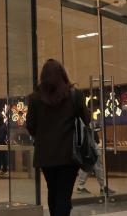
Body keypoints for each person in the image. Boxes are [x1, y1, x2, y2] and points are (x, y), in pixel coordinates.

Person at [26, 59, 89, 216]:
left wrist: (42, 137)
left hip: (46, 156)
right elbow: (86, 120)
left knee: (53, 191)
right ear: (62, 74)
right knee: (64, 195)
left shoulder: (35, 98)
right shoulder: (75, 95)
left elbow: (30, 126)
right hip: (69, 156)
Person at [75, 127, 113, 196]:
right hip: (90, 143)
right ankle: (103, 187)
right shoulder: (86, 120)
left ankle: (81, 186)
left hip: (86, 143)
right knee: (97, 165)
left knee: (87, 165)